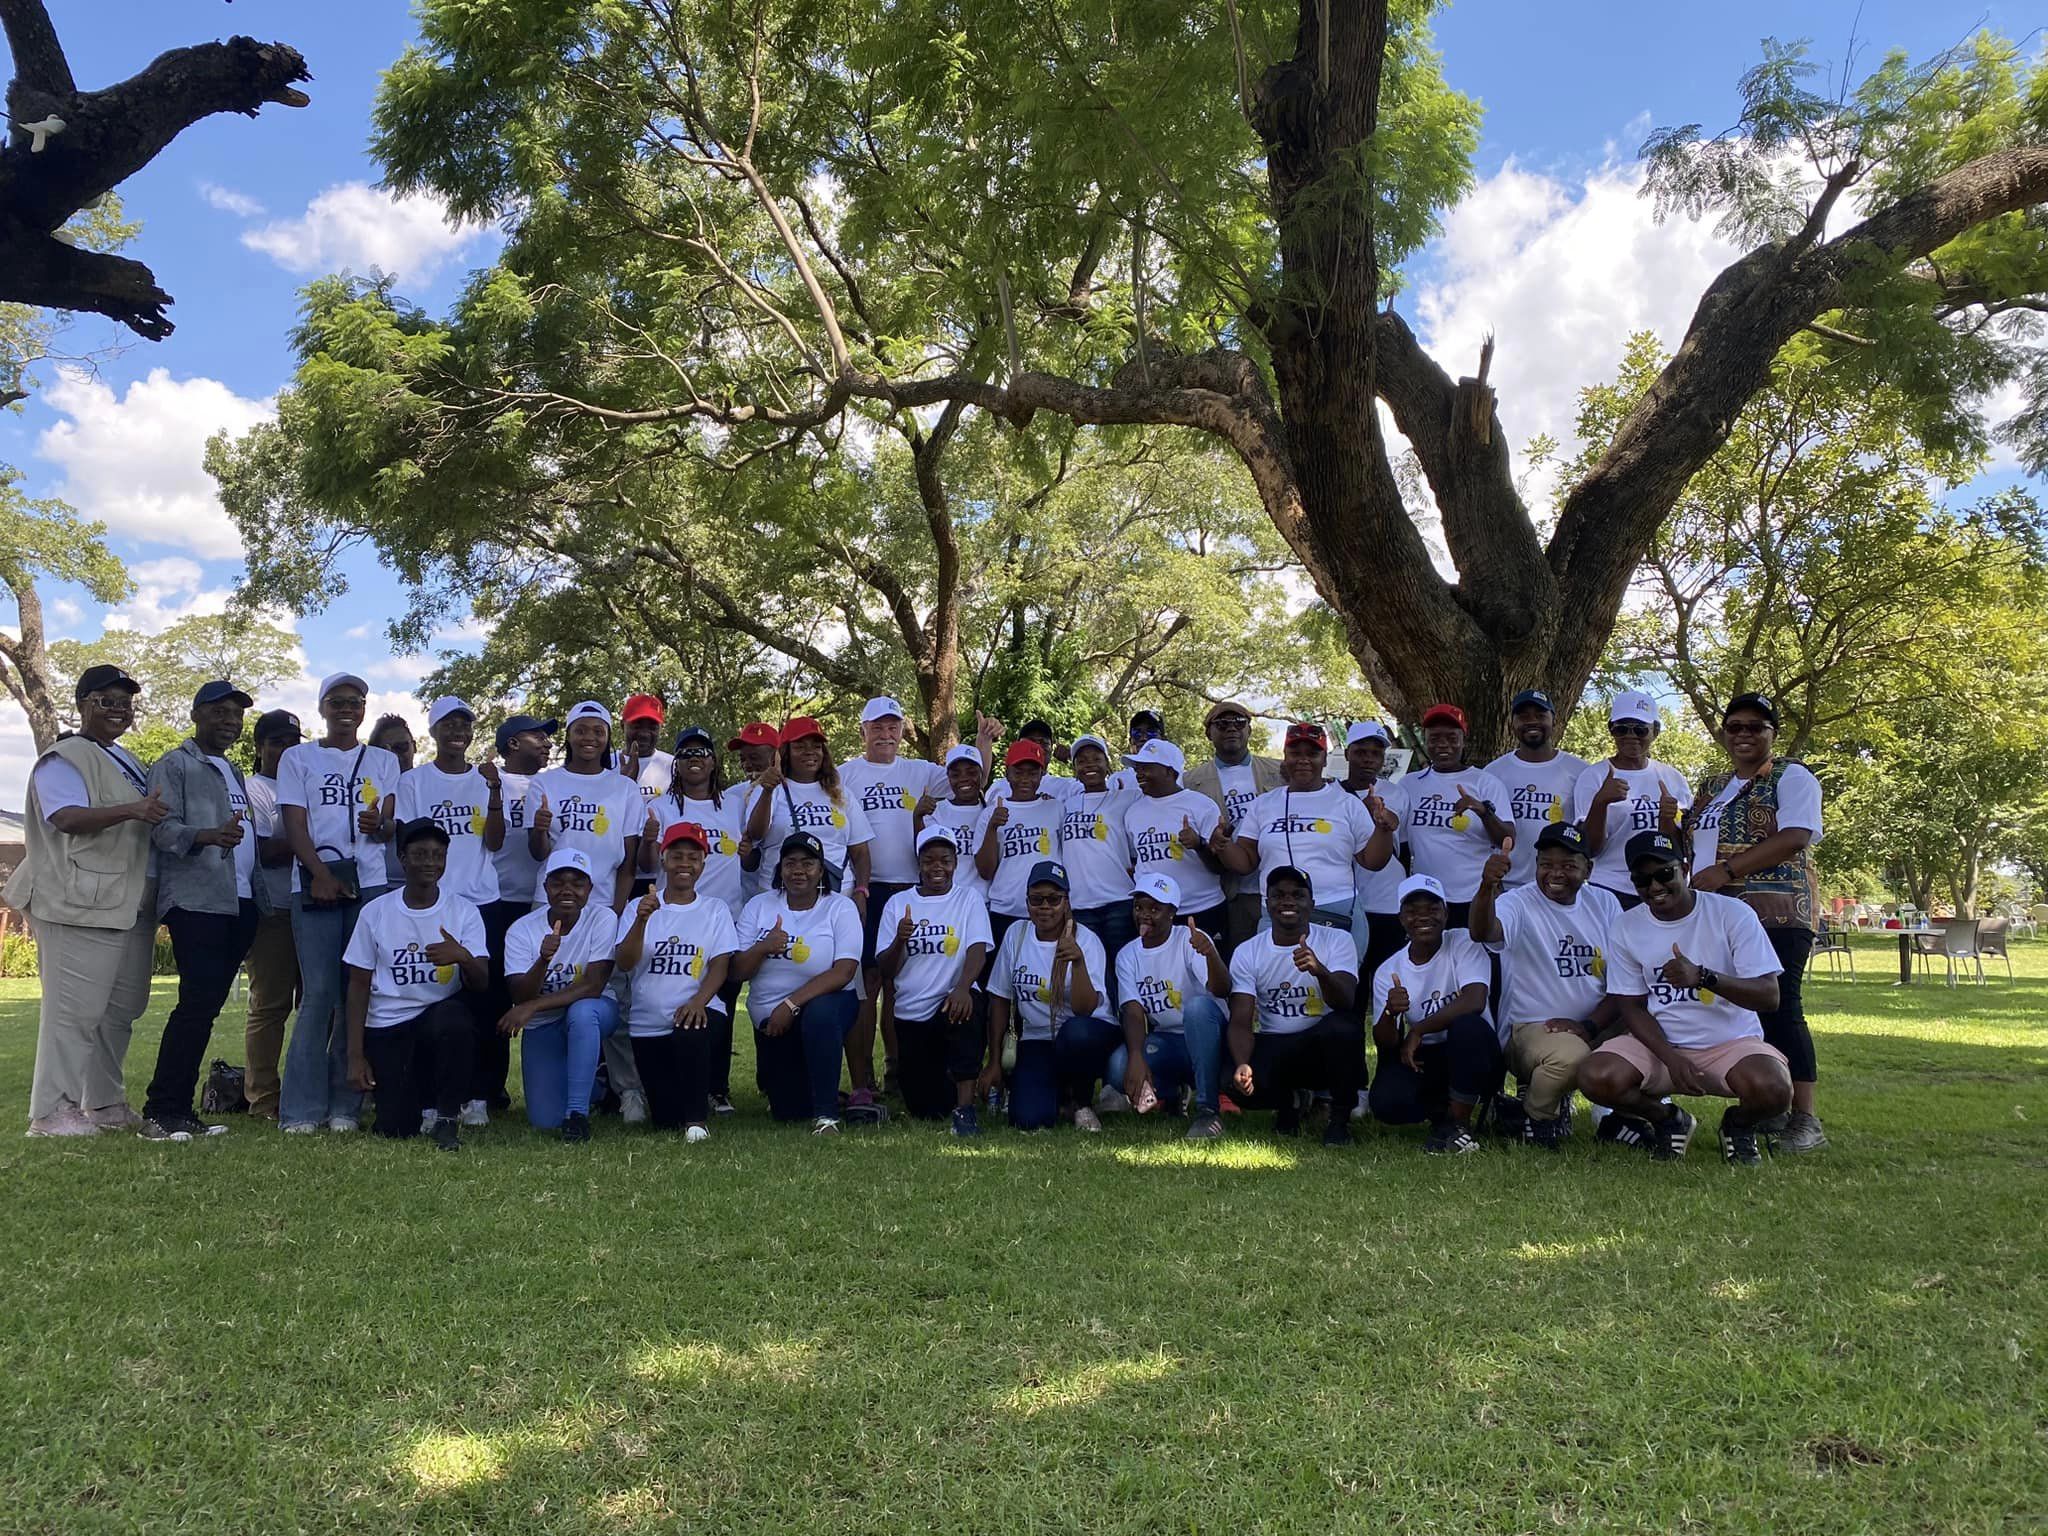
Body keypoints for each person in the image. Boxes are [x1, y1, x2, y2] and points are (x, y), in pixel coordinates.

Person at [8, 664, 164, 1137]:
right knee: (74, 1010)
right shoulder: (65, 757)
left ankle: (104, 1102)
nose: (118, 709)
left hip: (124, 900)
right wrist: (133, 810)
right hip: (75, 899)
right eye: (105, 700)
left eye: (124, 702)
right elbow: (65, 817)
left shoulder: (127, 760)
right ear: (81, 705)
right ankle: (52, 1112)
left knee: (121, 1008)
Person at [1578, 830, 1792, 1165]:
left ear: (1686, 868)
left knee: (1774, 1089)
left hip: (1730, 1042)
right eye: (1642, 880)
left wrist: (1704, 977)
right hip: (1660, 1046)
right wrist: (1671, 1058)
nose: (1655, 887)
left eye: (1664, 874)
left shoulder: (1732, 914)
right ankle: (1670, 1121)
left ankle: (1737, 1126)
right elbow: (1630, 1006)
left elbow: (1769, 996)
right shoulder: (1626, 925)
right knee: (1596, 1075)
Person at [1685, 692, 1827, 1153]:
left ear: (1772, 733)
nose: (1744, 734)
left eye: (1755, 726)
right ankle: (1773, 1107)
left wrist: (1726, 871)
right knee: (1748, 1007)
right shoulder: (1715, 784)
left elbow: (1795, 836)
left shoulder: (1791, 775)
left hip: (1777, 910)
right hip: (1722, 913)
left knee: (1781, 1005)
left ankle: (1806, 1119)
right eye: (1735, 726)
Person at [276, 672, 400, 1134]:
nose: (347, 708)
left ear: (364, 709)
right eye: (338, 700)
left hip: (367, 886)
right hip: (313, 883)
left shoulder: (383, 761)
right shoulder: (299, 757)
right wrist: (320, 874)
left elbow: (390, 827)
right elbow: (294, 821)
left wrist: (379, 825)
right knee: (319, 994)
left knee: (357, 992)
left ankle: (346, 1105)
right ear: (323, 707)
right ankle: (301, 1109)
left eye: (356, 701)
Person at [138, 680, 258, 1141]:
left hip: (240, 903)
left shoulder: (234, 771)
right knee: (194, 1007)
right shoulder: (175, 764)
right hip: (197, 901)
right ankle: (160, 1111)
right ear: (196, 714)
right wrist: (207, 836)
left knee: (205, 1009)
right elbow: (161, 828)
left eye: (236, 714)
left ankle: (181, 1112)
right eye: (220, 712)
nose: (230, 721)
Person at [527, 698, 649, 1120]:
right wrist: (541, 831)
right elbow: (537, 852)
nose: (590, 738)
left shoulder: (624, 788)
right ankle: (569, 1084)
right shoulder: (545, 784)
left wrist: (615, 913)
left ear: (608, 737)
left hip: (602, 909)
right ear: (569, 736)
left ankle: (628, 1090)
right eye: (581, 729)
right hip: (551, 906)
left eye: (598, 730)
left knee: (610, 997)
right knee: (552, 989)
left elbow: (630, 861)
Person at [1467, 822, 1620, 1147]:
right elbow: (1484, 932)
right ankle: (1536, 1117)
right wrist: (1486, 887)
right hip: (1530, 1029)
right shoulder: (1519, 902)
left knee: (1651, 1034)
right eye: (1546, 865)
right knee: (1569, 1057)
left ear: (1588, 868)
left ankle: (1633, 1119)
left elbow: (1623, 978)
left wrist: (1591, 1026)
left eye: (1568, 865)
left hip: (1596, 1025)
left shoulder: (1605, 904)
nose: (1556, 873)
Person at [837, 696, 958, 1105]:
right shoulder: (845, 774)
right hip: (867, 888)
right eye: (878, 727)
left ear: (903, 730)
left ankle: (895, 1065)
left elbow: (968, 777)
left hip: (911, 889)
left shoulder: (921, 771)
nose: (886, 734)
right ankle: (865, 1072)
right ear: (863, 731)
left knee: (899, 982)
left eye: (893, 726)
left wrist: (983, 740)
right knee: (868, 981)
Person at [342, 820, 488, 1149]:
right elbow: (358, 985)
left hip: (438, 1019)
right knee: (395, 1127)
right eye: (420, 854)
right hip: (388, 1026)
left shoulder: (463, 911)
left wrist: (462, 956)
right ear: (403, 858)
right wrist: (355, 1056)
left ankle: (447, 1119)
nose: (430, 863)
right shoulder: (375, 912)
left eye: (438, 855)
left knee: (457, 1019)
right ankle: (419, 1105)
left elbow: (482, 982)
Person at [394, 696, 505, 1128]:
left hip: (481, 900)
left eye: (464, 723)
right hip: (432, 902)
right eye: (448, 724)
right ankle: (434, 1094)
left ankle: (482, 1093)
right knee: (435, 996)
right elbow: (408, 842)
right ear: (434, 731)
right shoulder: (415, 782)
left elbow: (494, 842)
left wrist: (495, 792)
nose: (457, 731)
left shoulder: (487, 778)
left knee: (485, 998)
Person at [733, 832, 863, 1132]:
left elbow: (844, 972)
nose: (799, 871)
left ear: (821, 869)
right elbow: (737, 971)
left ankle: (827, 1115)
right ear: (780, 869)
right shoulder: (759, 906)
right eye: (790, 863)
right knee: (788, 1111)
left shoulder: (839, 908)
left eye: (808, 863)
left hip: (826, 1006)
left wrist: (790, 1004)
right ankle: (815, 1093)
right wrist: (763, 947)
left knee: (820, 1013)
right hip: (771, 1019)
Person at [615, 824, 738, 1142]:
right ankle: (684, 1111)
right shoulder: (637, 908)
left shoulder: (714, 909)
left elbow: (720, 965)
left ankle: (696, 1121)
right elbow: (625, 962)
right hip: (648, 1024)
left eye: (693, 857)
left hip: (700, 1012)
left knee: (690, 1026)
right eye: (677, 856)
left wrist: (699, 1001)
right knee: (665, 1118)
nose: (685, 864)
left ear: (703, 864)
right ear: (663, 859)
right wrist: (642, 920)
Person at [1224, 865, 1364, 1145]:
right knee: (1232, 1081)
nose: (1288, 901)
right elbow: (1241, 1020)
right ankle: (1290, 1104)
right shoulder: (1248, 951)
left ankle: (1339, 1121)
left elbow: (1345, 1001)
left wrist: (1320, 972)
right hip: (1276, 1043)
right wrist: (1242, 1064)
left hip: (1320, 1046)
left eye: (1297, 895)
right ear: (1267, 904)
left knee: (1344, 1028)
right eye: (1278, 895)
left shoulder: (1338, 940)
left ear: (1311, 904)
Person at [653, 725, 749, 1114]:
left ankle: (716, 1087)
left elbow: (752, 853)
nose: (695, 760)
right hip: (676, 917)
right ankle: (671, 1081)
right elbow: (647, 864)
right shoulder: (661, 807)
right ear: (676, 764)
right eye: (687, 754)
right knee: (674, 999)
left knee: (721, 1004)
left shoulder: (735, 803)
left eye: (702, 753)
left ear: (714, 761)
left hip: (726, 915)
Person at [1366, 873, 1497, 1154]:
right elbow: (1385, 1041)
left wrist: (1419, 1029)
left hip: (1473, 1052)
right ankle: (1443, 1114)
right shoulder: (1389, 969)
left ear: (1446, 913)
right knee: (1387, 1102)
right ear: (1401, 919)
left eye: (1433, 909)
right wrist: (1390, 1012)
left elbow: (1475, 999)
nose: (1423, 917)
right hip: (1426, 1058)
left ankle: (1459, 1125)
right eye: (1413, 911)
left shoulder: (1464, 942)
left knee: (1468, 1026)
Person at [983, 860, 1119, 1131]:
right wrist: (994, 1062)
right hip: (1038, 1039)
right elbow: (999, 999)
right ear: (1027, 901)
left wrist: (1078, 963)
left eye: (1054, 899)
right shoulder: (1016, 935)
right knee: (1028, 1119)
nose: (1045, 907)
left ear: (1066, 902)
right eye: (1037, 899)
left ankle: (1081, 1101)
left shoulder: (1087, 940)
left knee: (1075, 1033)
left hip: (1086, 1032)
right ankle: (1060, 1096)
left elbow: (1085, 1009)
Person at [500, 848, 621, 1140]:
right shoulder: (522, 930)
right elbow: (520, 994)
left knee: (582, 1012)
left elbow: (593, 986)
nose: (568, 890)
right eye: (558, 882)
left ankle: (576, 1115)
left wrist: (534, 1005)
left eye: (578, 883)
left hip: (595, 1011)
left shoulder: (602, 918)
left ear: (590, 889)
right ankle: (599, 1086)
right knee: (543, 1120)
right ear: (545, 888)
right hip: (544, 1022)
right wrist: (543, 959)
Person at [878, 827, 992, 1131]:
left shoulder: (969, 899)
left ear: (955, 862)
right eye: (929, 860)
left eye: (944, 859)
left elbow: (978, 950)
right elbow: (887, 970)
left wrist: (963, 988)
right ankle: (949, 1091)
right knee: (925, 1108)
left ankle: (965, 1109)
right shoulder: (897, 904)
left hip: (952, 1000)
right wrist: (900, 941)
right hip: (911, 1013)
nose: (937, 867)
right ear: (919, 863)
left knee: (964, 1009)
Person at [1108, 872, 1231, 1139]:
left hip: (1208, 1037)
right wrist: (1137, 1056)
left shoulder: (1191, 940)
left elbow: (1222, 989)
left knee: (1197, 1008)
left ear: (1172, 912)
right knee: (1119, 1066)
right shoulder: (1128, 954)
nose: (1145, 915)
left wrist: (1210, 954)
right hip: (1168, 1040)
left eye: (1155, 908)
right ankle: (1172, 1095)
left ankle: (1208, 1110)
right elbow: (1132, 1010)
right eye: (1139, 907)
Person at [1220, 722, 1377, 930]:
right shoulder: (1263, 804)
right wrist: (1222, 846)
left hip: (1336, 909)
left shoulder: (1347, 803)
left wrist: (1384, 829)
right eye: (1295, 753)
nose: (1303, 760)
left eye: (1312, 753)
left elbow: (1372, 861)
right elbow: (1246, 862)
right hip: (1279, 911)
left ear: (1324, 759)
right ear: (1285, 758)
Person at [476, 712, 555, 1116]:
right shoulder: (489, 781)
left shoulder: (554, 783)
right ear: (511, 744)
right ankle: (488, 1089)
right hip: (499, 901)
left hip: (543, 903)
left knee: (543, 991)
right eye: (537, 735)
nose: (546, 742)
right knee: (494, 998)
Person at [741, 716, 875, 916]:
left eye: (816, 746)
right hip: (779, 897)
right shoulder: (769, 789)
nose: (810, 752)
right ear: (785, 752)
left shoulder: (840, 792)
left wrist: (861, 891)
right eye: (800, 746)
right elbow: (755, 834)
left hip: (837, 897)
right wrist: (768, 790)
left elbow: (860, 851)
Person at [1398, 704, 1512, 927]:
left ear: (1463, 739)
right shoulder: (1409, 784)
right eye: (1435, 737)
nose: (1443, 744)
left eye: (1451, 737)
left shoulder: (1484, 782)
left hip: (1475, 897)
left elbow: (1508, 838)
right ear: (1425, 739)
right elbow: (1402, 848)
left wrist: (1482, 810)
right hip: (1428, 901)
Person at [241, 709, 303, 1121]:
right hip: (273, 909)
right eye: (277, 742)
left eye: (293, 743)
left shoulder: (309, 786)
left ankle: (313, 1087)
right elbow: (264, 851)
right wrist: (311, 843)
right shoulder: (255, 789)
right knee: (270, 1005)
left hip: (317, 906)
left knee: (323, 1003)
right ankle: (263, 1097)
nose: (285, 750)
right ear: (260, 747)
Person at [1572, 690, 1689, 906]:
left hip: (1661, 886)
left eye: (1640, 729)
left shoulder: (1672, 778)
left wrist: (1666, 818)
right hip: (1611, 888)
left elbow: (1680, 849)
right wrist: (1600, 802)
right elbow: (1589, 849)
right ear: (1611, 730)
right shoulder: (1594, 776)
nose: (1630, 736)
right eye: (1622, 728)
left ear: (1655, 731)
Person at [1183, 701, 1283, 954]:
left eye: (1239, 723)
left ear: (1249, 730)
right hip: (1232, 889)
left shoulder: (1280, 771)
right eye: (1222, 724)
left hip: (1277, 882)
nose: (1232, 729)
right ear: (1208, 733)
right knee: (1241, 958)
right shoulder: (1189, 781)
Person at [1122, 739, 1230, 947]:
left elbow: (1220, 868)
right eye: (1138, 768)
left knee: (1210, 975)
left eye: (1147, 768)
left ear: (1170, 771)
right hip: (1156, 917)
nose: (1139, 773)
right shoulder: (1132, 812)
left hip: (1202, 909)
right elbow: (1136, 860)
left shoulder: (1201, 805)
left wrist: (1198, 845)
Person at [1483, 690, 1589, 889]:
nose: (1532, 721)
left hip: (1560, 884)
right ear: (1512, 722)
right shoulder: (1493, 772)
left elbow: (1586, 833)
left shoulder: (1580, 770)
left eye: (1540, 715)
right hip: (1508, 884)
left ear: (1554, 720)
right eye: (1523, 716)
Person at [975, 740, 1067, 955]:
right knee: (1000, 980)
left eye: (1032, 772)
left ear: (1042, 774)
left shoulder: (1055, 807)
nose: (1025, 779)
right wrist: (992, 828)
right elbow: (985, 871)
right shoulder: (991, 812)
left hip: (1048, 910)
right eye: (1019, 772)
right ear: (1007, 773)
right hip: (1005, 910)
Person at [1058, 734, 1137, 976]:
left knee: (1123, 972)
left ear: (1107, 764)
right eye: (1081, 760)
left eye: (1096, 758)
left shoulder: (1127, 798)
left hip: (1119, 902)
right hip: (1080, 906)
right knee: (1093, 973)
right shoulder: (1066, 805)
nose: (1089, 764)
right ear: (1075, 769)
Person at [1340, 721, 1411, 981]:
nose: (1368, 759)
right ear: (1347, 753)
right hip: (1346, 905)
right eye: (1361, 752)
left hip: (1387, 904)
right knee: (1351, 986)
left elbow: (1402, 848)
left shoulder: (1397, 793)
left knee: (1389, 983)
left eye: (1376, 753)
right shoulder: (1332, 793)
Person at [915, 744, 993, 905]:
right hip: (945, 900)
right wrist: (917, 818)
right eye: (956, 774)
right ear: (948, 778)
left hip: (982, 901)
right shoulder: (937, 811)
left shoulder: (991, 812)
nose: (964, 778)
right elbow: (923, 855)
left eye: (971, 772)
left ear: (982, 775)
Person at [367, 713, 417, 888]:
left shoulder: (432, 783)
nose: (393, 756)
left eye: (401, 746)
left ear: (414, 747)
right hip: (376, 886)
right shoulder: (366, 789)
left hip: (426, 887)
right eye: (383, 750)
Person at [618, 692, 674, 816]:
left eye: (652, 728)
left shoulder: (674, 766)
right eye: (637, 726)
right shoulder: (605, 764)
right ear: (622, 726)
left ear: (660, 729)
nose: (644, 734)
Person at [1106, 709, 1167, 794]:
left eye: (1151, 732)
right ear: (1131, 740)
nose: (1143, 738)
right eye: (1137, 733)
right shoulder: (1116, 780)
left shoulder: (1174, 776)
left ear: (1163, 739)